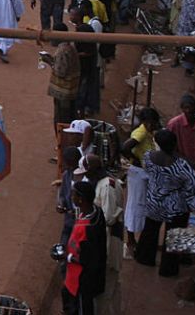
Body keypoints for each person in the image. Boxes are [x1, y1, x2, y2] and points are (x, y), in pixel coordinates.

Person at [135, 129, 195, 276]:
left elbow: (148, 171)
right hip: (175, 206)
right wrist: (190, 202)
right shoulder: (181, 165)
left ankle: (145, 258)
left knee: (150, 230)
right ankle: (168, 269)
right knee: (173, 236)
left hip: (154, 201)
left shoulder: (148, 157)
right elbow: (193, 183)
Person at [84, 154, 124, 315]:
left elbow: (108, 217)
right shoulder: (99, 181)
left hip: (110, 236)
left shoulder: (108, 186)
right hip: (103, 236)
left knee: (108, 279)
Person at [121, 108, 161, 259]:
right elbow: (125, 147)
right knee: (135, 204)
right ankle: (130, 241)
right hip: (137, 172)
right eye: (150, 123)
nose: (153, 125)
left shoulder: (148, 133)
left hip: (143, 172)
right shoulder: (141, 132)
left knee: (141, 203)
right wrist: (135, 160)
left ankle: (138, 238)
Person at [63, 180, 108, 315]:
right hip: (77, 277)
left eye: (74, 195)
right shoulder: (96, 212)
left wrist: (68, 257)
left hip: (82, 280)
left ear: (81, 199)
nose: (72, 197)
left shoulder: (88, 230)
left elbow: (88, 261)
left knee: (82, 308)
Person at [47, 24, 81, 129]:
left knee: (62, 118)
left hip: (63, 92)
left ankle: (63, 141)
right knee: (69, 115)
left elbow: (60, 72)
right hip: (70, 90)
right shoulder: (70, 47)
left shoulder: (62, 50)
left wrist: (49, 62)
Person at [165, 94, 195, 168]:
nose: (188, 110)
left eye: (191, 107)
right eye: (186, 108)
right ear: (182, 109)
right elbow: (168, 149)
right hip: (177, 167)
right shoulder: (173, 124)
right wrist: (187, 161)